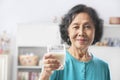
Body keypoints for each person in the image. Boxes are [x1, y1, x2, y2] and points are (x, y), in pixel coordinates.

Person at [40, 4, 111, 80]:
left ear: (95, 31)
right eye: (76, 27)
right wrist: (45, 76)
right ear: (68, 31)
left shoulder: (103, 67)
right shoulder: (56, 63)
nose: (81, 33)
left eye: (87, 27)